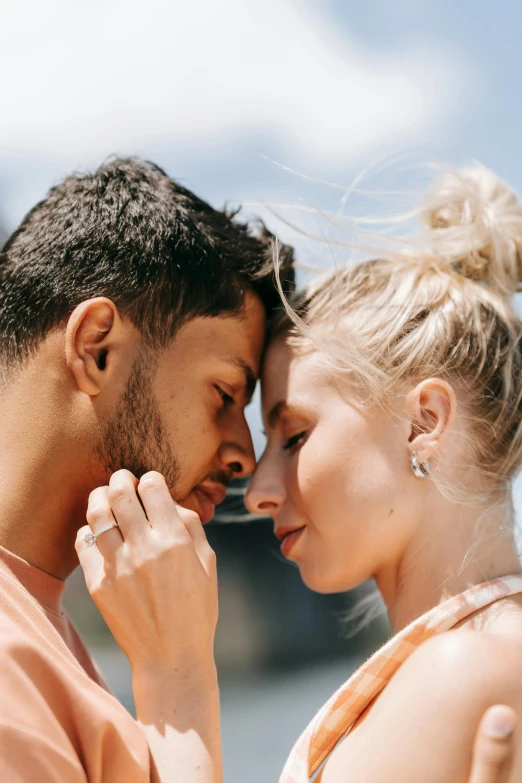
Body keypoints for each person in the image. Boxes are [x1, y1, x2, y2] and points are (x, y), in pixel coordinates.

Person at [72, 160, 519, 783]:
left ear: (424, 422)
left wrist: (174, 673)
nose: (255, 490)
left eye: (297, 434)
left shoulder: (462, 671)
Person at [0, 156, 294, 782]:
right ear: (97, 349)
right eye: (224, 395)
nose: (244, 454)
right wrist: (178, 682)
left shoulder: (45, 635)